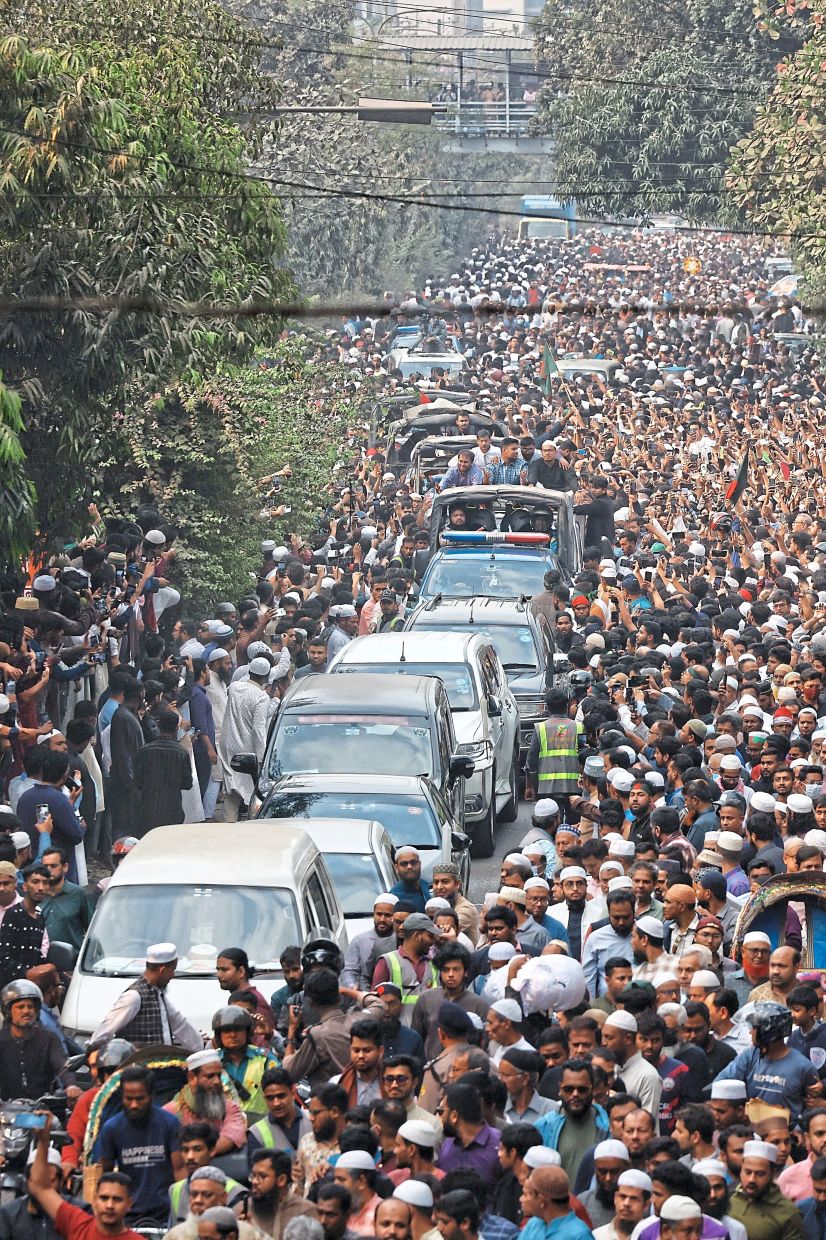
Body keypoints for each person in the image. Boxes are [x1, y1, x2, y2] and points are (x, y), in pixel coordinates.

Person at [28, 1112, 144, 1240]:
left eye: (117, 1199)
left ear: (129, 1204)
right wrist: (43, 1140)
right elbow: (39, 1187)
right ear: (94, 1200)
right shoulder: (78, 1225)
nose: (109, 1205)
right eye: (104, 1198)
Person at [97, 1065, 184, 1224]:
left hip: (166, 1215)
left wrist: (181, 1215)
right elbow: (105, 1175)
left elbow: (180, 1171)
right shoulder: (111, 1129)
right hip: (127, 1216)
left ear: (151, 1095)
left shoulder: (169, 1124)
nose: (134, 1105)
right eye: (128, 1099)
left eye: (140, 1099)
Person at [89, 942, 202, 1050]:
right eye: (172, 970)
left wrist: (203, 1047)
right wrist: (94, 1053)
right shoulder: (133, 997)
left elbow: (179, 1025)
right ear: (162, 970)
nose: (172, 975)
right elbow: (103, 1033)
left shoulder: (158, 993)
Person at [217, 656, 272, 821]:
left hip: (227, 743)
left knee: (231, 787)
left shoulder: (234, 687)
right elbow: (258, 730)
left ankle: (229, 823)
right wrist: (262, 758)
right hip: (246, 749)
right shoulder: (262, 697)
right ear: (266, 677)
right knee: (251, 789)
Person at [165, 1048, 247, 1154]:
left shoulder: (230, 1107)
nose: (217, 1081)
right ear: (192, 1078)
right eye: (210, 1076)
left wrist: (199, 1155)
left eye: (219, 1075)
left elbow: (231, 1137)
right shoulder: (171, 1111)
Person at [0, 979, 67, 1100]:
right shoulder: (2, 1039)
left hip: (43, 1105)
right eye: (20, 1007)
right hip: (5, 1106)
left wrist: (71, 1086)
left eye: (30, 1007)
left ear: (37, 1010)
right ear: (9, 1011)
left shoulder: (49, 1038)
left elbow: (61, 1064)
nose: (26, 1011)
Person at [727, 1138, 806, 1239]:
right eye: (748, 1172)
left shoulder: (788, 1212)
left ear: (772, 1174)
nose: (752, 1179)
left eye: (760, 1174)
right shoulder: (728, 1201)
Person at [131, 708, 193, 835]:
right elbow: (187, 784)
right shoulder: (181, 753)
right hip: (173, 811)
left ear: (158, 725)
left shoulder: (145, 751)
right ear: (177, 728)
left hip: (147, 811)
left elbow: (137, 781)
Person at [212, 1005, 277, 1122]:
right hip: (224, 1127)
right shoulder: (211, 1062)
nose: (233, 1035)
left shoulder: (264, 1058)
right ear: (219, 1035)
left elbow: (282, 1086)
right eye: (227, 1030)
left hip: (260, 1127)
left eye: (238, 1029)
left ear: (247, 1032)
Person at [245, 1149, 318, 1240]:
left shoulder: (306, 1211)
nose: (255, 1181)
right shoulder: (244, 1208)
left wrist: (256, 1234)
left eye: (262, 1176)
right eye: (253, 1176)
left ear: (281, 1180)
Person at [437, 1083, 502, 1180]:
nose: (440, 1117)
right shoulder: (447, 1145)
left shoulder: (499, 1145)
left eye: (442, 1111)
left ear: (454, 1116)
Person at [248, 1067, 312, 1157]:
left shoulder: (314, 1119)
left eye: (281, 1096)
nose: (276, 1103)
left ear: (293, 1092)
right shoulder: (256, 1133)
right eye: (270, 1098)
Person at [39, 845, 93, 950]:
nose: (48, 870)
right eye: (45, 866)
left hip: (72, 957)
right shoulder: (36, 895)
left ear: (65, 867)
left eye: (53, 866)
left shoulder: (78, 894)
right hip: (41, 957)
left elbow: (91, 928)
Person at [518, 1166, 592, 1240]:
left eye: (528, 1194)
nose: (521, 1199)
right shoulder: (533, 1224)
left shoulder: (579, 1235)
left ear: (541, 1200)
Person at [342, 894, 397, 990]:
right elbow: (349, 971)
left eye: (388, 915)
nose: (382, 919)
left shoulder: (402, 940)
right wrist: (352, 986)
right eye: (379, 914)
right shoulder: (359, 941)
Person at [332, 1150, 382, 1235]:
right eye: (335, 1179)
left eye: (341, 1180)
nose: (335, 1185)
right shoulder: (337, 1211)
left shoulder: (381, 1214)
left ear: (361, 1181)